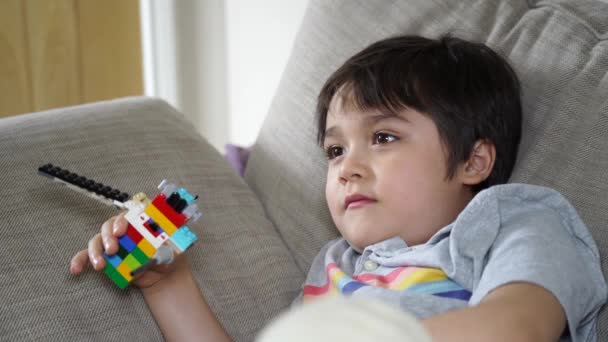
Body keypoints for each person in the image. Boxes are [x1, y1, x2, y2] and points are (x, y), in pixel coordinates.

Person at [69, 35, 607, 341]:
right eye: (334, 150)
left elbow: (519, 326)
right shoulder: (338, 265)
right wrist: (169, 284)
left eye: (384, 136)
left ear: (474, 159)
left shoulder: (517, 219)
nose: (347, 167)